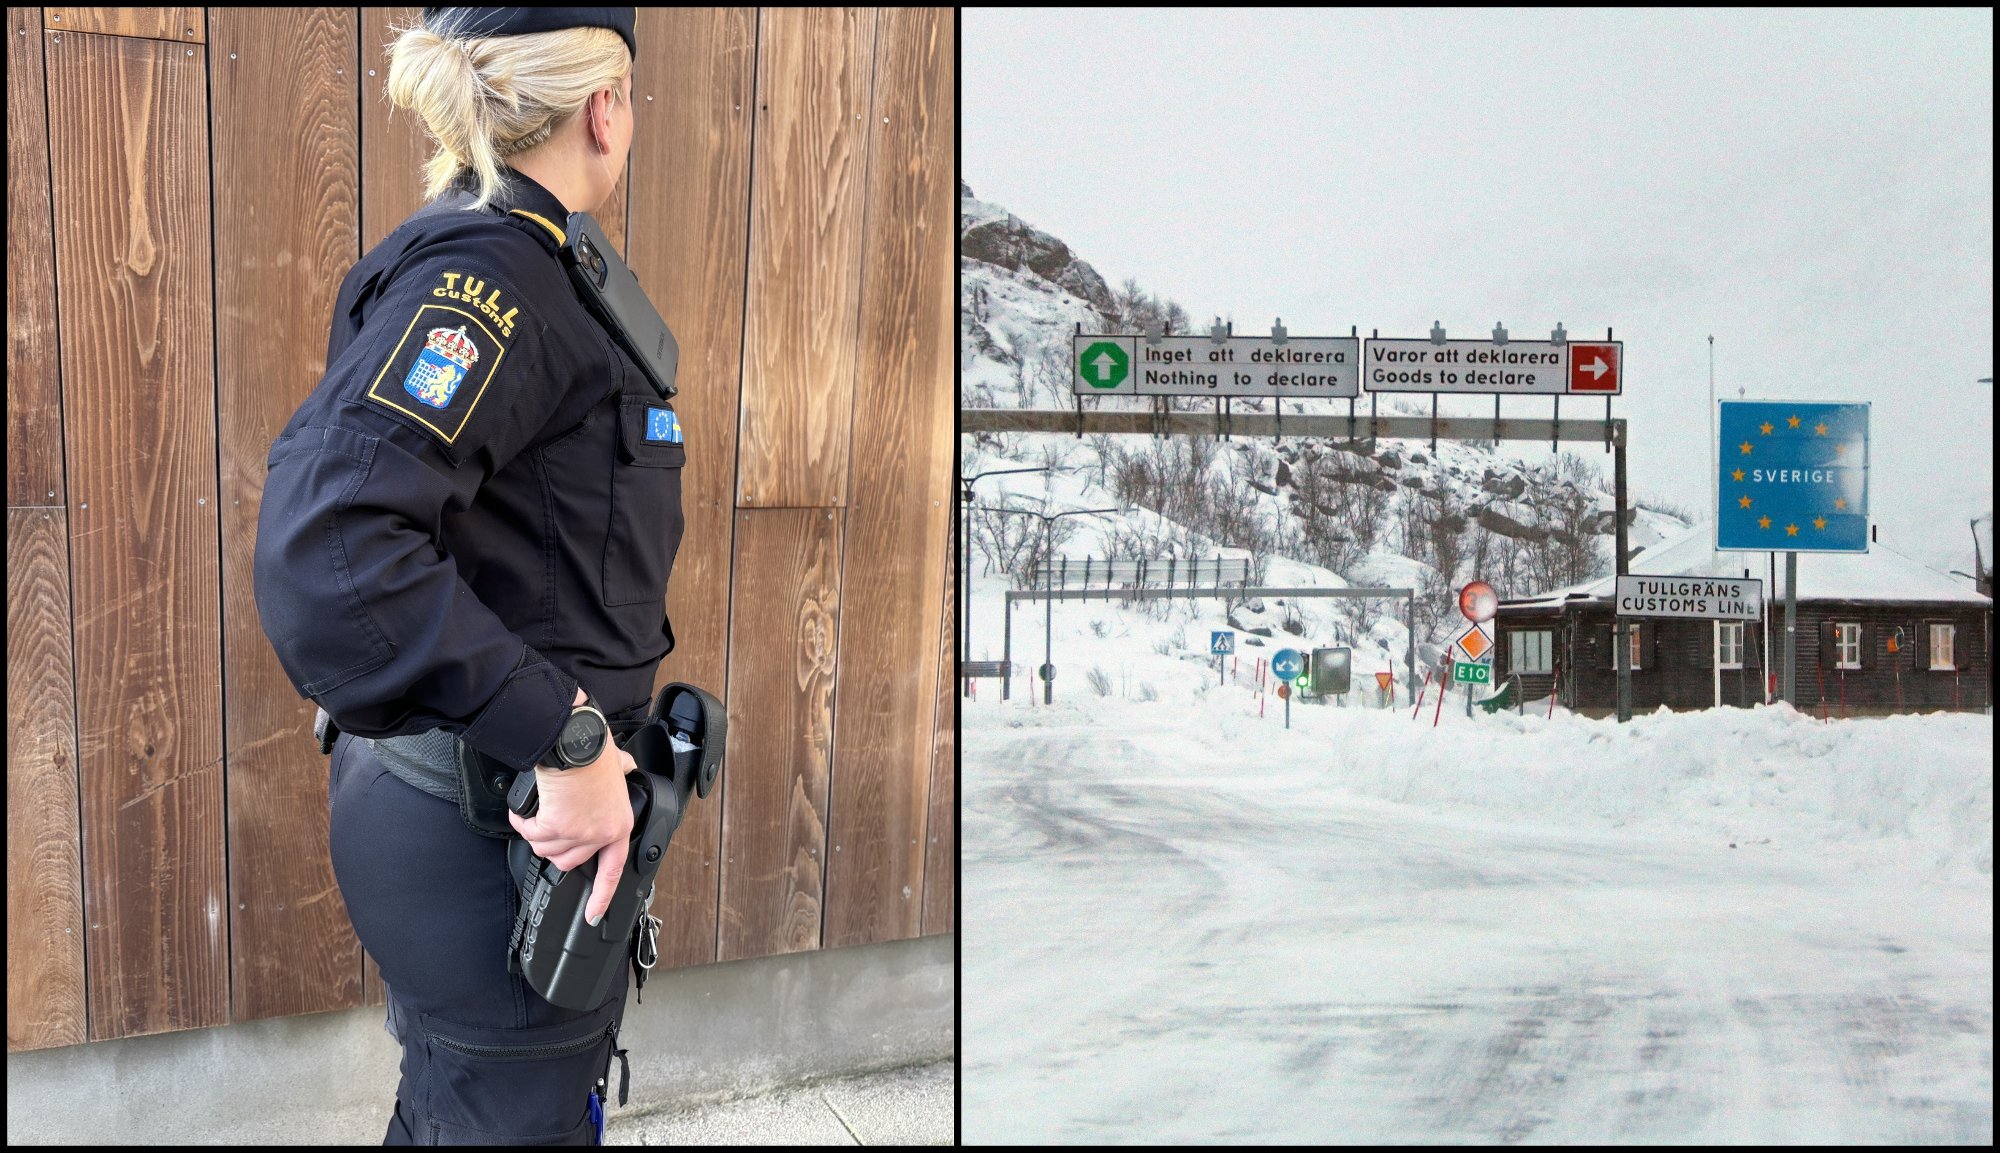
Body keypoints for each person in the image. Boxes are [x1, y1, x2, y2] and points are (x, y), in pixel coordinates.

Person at [253, 7, 684, 1144]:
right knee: (502, 1113)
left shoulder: (528, 262)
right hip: (488, 824)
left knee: (471, 1108)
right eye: (629, 99)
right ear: (604, 107)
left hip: (487, 820)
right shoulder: (494, 276)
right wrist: (568, 737)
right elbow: (334, 549)